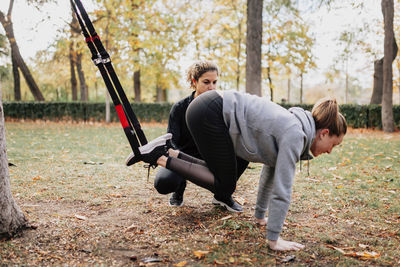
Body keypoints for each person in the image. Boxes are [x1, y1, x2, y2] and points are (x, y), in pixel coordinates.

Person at [127, 90, 347, 251]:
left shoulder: (293, 128)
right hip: (210, 110)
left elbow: (269, 176)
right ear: (324, 133)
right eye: (333, 145)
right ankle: (160, 156)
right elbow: (283, 190)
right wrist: (274, 239)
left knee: (223, 179)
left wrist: (261, 217)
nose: (329, 151)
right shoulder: (295, 134)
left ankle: (169, 154)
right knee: (225, 185)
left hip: (208, 107)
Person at [153, 60, 221, 207]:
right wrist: (181, 162)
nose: (212, 87)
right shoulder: (179, 108)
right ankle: (179, 188)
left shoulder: (221, 106)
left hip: (210, 157)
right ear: (194, 81)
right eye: (206, 82)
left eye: (215, 82)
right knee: (163, 182)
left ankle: (222, 196)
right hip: (182, 156)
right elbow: (171, 142)